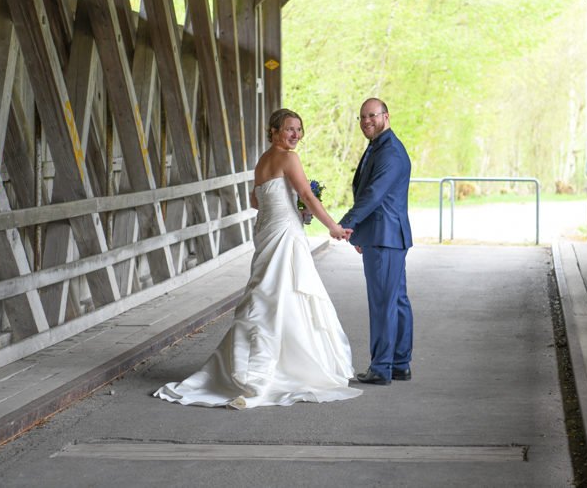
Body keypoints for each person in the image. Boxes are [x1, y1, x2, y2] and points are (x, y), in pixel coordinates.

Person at [153, 109, 361, 409]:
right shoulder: (289, 158)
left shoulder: (263, 160)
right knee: (288, 292)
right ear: (274, 131)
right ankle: (289, 364)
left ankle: (253, 363)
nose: (296, 135)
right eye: (289, 129)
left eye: (299, 129)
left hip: (266, 230)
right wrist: (333, 227)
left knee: (269, 294)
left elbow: (255, 200)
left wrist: (290, 204)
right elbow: (307, 193)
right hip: (285, 232)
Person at [340, 98, 414, 386]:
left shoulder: (391, 152)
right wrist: (361, 233)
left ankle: (382, 367)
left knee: (384, 302)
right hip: (383, 235)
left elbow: (373, 194)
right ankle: (399, 363)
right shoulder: (379, 146)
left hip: (385, 237)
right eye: (361, 117)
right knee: (395, 300)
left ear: (386, 115)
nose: (366, 121)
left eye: (372, 115)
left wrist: (345, 226)